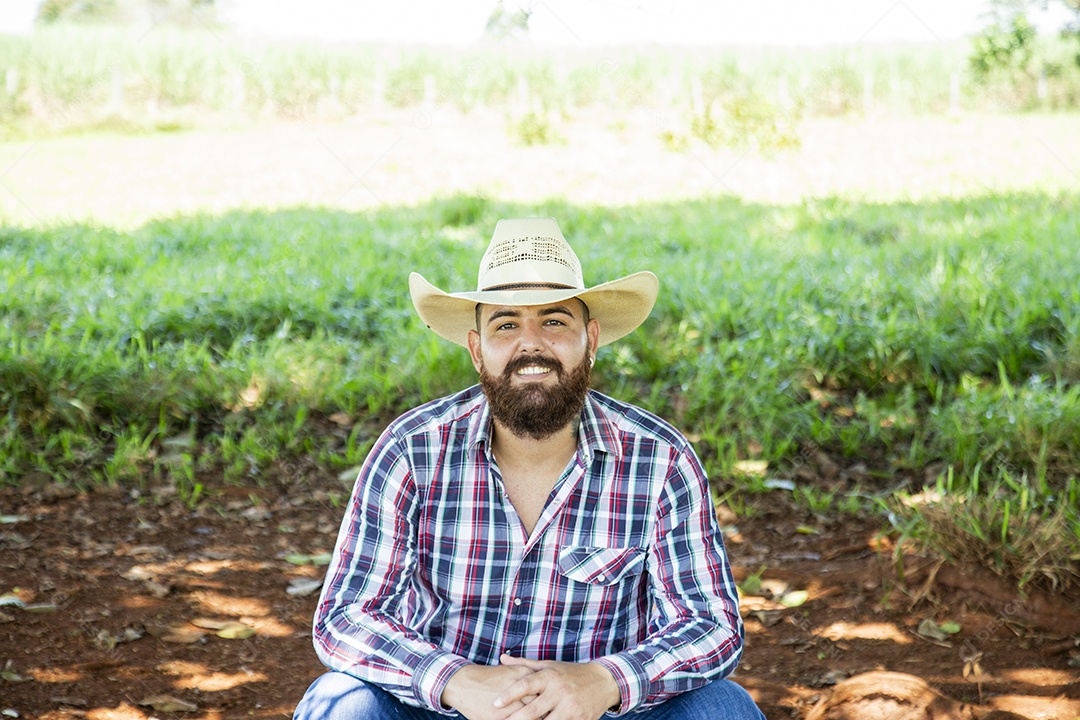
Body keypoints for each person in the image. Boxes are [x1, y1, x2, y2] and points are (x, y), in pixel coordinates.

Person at [294, 218, 764, 720]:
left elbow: (711, 623)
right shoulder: (412, 451)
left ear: (592, 339)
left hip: (600, 712)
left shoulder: (661, 460)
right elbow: (346, 616)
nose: (531, 343)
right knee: (342, 704)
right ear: (478, 350)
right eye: (507, 324)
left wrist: (605, 680)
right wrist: (453, 679)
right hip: (448, 709)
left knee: (722, 708)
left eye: (555, 321)